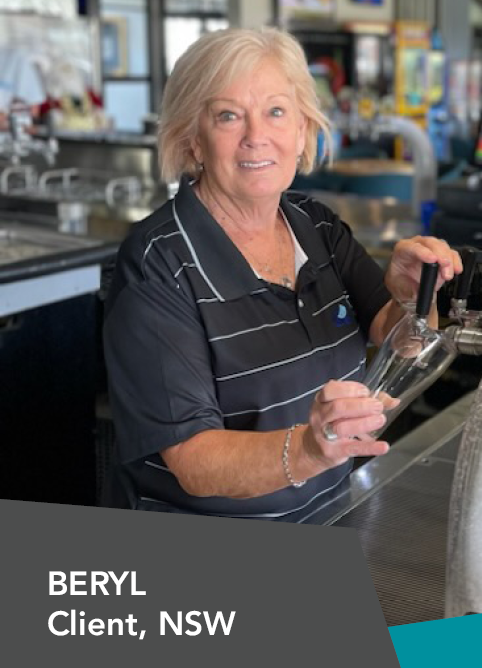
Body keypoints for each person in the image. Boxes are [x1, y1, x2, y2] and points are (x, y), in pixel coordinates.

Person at [104, 28, 462, 521]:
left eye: (276, 111)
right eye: (228, 115)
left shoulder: (316, 226)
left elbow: (405, 343)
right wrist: (313, 450)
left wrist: (412, 297)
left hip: (336, 514)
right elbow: (194, 460)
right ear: (194, 141)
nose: (257, 136)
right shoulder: (159, 263)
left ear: (302, 130)